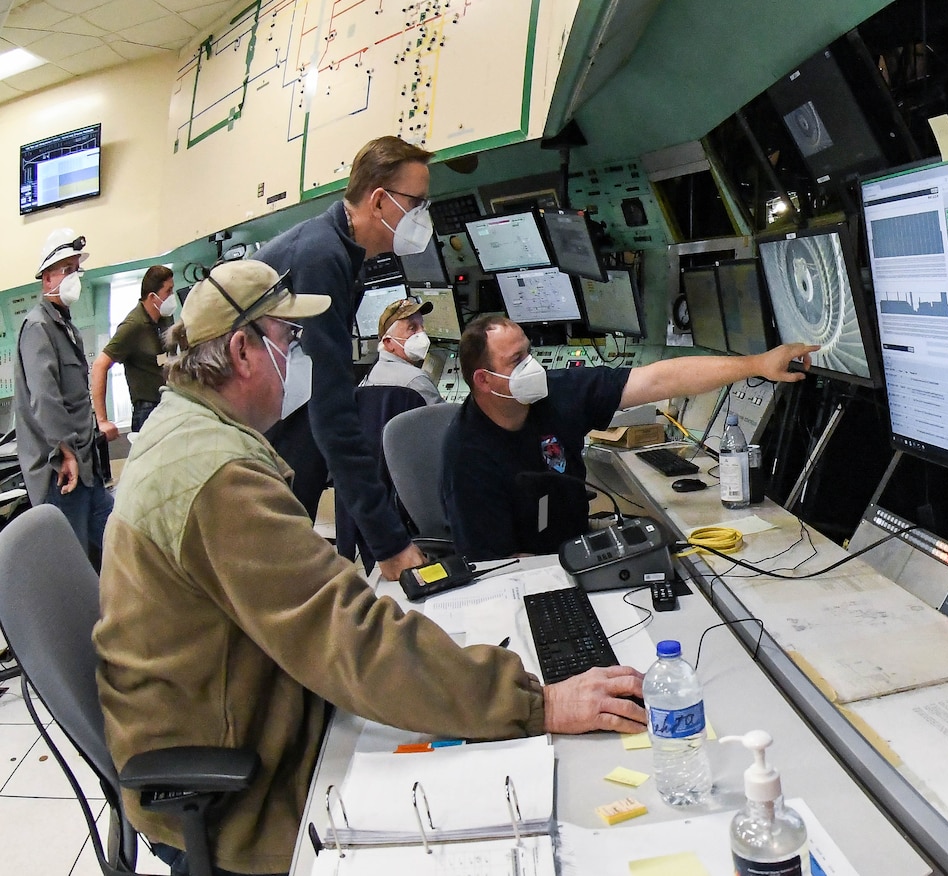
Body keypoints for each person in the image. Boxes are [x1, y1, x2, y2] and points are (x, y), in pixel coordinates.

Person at [95, 260, 645, 876]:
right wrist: (532, 704)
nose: (299, 356)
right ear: (244, 351)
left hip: (247, 702)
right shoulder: (214, 473)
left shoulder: (190, 432)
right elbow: (344, 635)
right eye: (289, 340)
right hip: (238, 776)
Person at [445, 315, 813, 560]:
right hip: (533, 570)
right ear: (484, 380)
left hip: (576, 542)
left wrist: (757, 364)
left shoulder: (557, 393)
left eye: (529, 352)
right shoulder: (467, 453)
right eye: (516, 360)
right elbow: (494, 565)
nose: (532, 366)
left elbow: (657, 380)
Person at [258, 135, 435, 583]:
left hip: (280, 415)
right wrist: (390, 545)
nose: (422, 216)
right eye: (417, 203)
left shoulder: (337, 249)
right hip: (253, 426)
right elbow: (331, 409)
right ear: (379, 201)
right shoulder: (322, 256)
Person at [13, 228, 111, 560]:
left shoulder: (64, 327)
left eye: (75, 270)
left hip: (87, 468)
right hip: (62, 474)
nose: (74, 278)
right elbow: (46, 399)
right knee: (74, 564)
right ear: (46, 279)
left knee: (117, 547)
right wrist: (65, 452)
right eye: (66, 270)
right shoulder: (39, 328)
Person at [335, 297, 440, 562]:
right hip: (416, 495)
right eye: (412, 329)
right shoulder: (415, 381)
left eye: (421, 326)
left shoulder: (368, 380)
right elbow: (447, 435)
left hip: (384, 495)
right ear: (388, 342)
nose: (421, 335)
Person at [90, 264, 178, 439]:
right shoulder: (133, 325)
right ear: (153, 297)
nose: (172, 296)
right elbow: (100, 365)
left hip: (171, 402)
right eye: (168, 291)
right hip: (148, 411)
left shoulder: (165, 318)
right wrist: (102, 420)